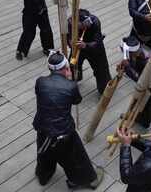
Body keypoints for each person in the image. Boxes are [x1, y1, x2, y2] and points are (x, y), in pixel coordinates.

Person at [33, 51, 104, 190]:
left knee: (45, 152)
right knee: (76, 157)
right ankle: (84, 180)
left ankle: (44, 175)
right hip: (62, 132)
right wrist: (71, 80)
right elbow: (77, 100)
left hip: (42, 127)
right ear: (65, 67)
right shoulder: (70, 86)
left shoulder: (40, 81)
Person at [67, 9, 111, 95]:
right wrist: (70, 42)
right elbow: (68, 36)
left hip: (93, 49)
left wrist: (85, 45)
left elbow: (98, 42)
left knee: (101, 71)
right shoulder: (70, 22)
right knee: (72, 64)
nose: (74, 26)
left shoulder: (95, 22)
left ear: (84, 23)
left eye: (78, 25)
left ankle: (104, 89)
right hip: (77, 49)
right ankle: (76, 78)